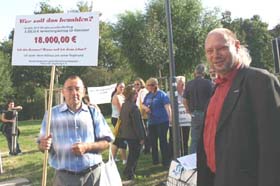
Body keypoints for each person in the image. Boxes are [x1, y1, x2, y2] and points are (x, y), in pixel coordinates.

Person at [197, 28, 280, 186]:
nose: (215, 55)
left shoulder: (260, 81)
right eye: (209, 51)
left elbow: (274, 148)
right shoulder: (216, 89)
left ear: (236, 46)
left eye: (221, 48)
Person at [38, 75, 114, 186]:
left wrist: (87, 147)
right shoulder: (51, 114)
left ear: (83, 92)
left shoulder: (93, 112)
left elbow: (107, 142)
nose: (74, 92)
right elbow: (40, 145)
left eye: (78, 89)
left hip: (93, 176)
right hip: (64, 178)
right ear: (63, 92)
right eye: (69, 89)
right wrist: (43, 145)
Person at [183, 64, 213, 154]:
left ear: (195, 72)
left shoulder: (189, 84)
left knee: (194, 140)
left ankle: (192, 161)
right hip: (207, 114)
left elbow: (184, 100)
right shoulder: (209, 83)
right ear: (204, 72)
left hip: (195, 114)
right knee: (208, 138)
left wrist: (188, 110)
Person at [142, 77, 171, 167]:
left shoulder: (162, 94)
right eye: (147, 85)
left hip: (162, 121)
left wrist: (170, 118)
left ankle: (165, 161)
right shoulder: (148, 95)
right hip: (151, 122)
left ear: (155, 85)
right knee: (153, 142)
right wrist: (145, 108)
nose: (147, 87)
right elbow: (142, 104)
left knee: (163, 141)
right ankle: (155, 161)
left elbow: (167, 107)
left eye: (149, 85)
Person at [118, 85, 146, 181]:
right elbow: (137, 125)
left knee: (132, 154)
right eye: (135, 93)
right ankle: (130, 173)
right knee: (134, 155)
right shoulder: (133, 108)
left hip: (127, 134)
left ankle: (128, 171)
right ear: (132, 95)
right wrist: (141, 137)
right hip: (134, 136)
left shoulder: (124, 105)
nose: (137, 95)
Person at [168, 76, 191, 157]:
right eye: (181, 84)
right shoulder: (170, 94)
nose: (183, 86)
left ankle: (185, 155)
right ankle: (173, 156)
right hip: (174, 121)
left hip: (186, 121)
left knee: (185, 139)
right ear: (176, 85)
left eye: (184, 84)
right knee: (173, 139)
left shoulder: (188, 93)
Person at [111, 82, 127, 164]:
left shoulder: (122, 96)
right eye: (120, 87)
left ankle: (112, 158)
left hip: (121, 119)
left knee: (117, 140)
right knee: (122, 139)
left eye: (123, 87)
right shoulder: (116, 97)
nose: (122, 88)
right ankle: (124, 160)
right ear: (116, 87)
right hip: (118, 119)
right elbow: (121, 110)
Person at [134, 78, 150, 154]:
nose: (136, 86)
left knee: (145, 133)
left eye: (138, 84)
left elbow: (144, 104)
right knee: (144, 133)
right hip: (141, 115)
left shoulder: (143, 92)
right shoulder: (139, 92)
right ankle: (146, 148)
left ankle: (147, 149)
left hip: (144, 116)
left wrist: (142, 114)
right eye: (135, 84)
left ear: (141, 84)